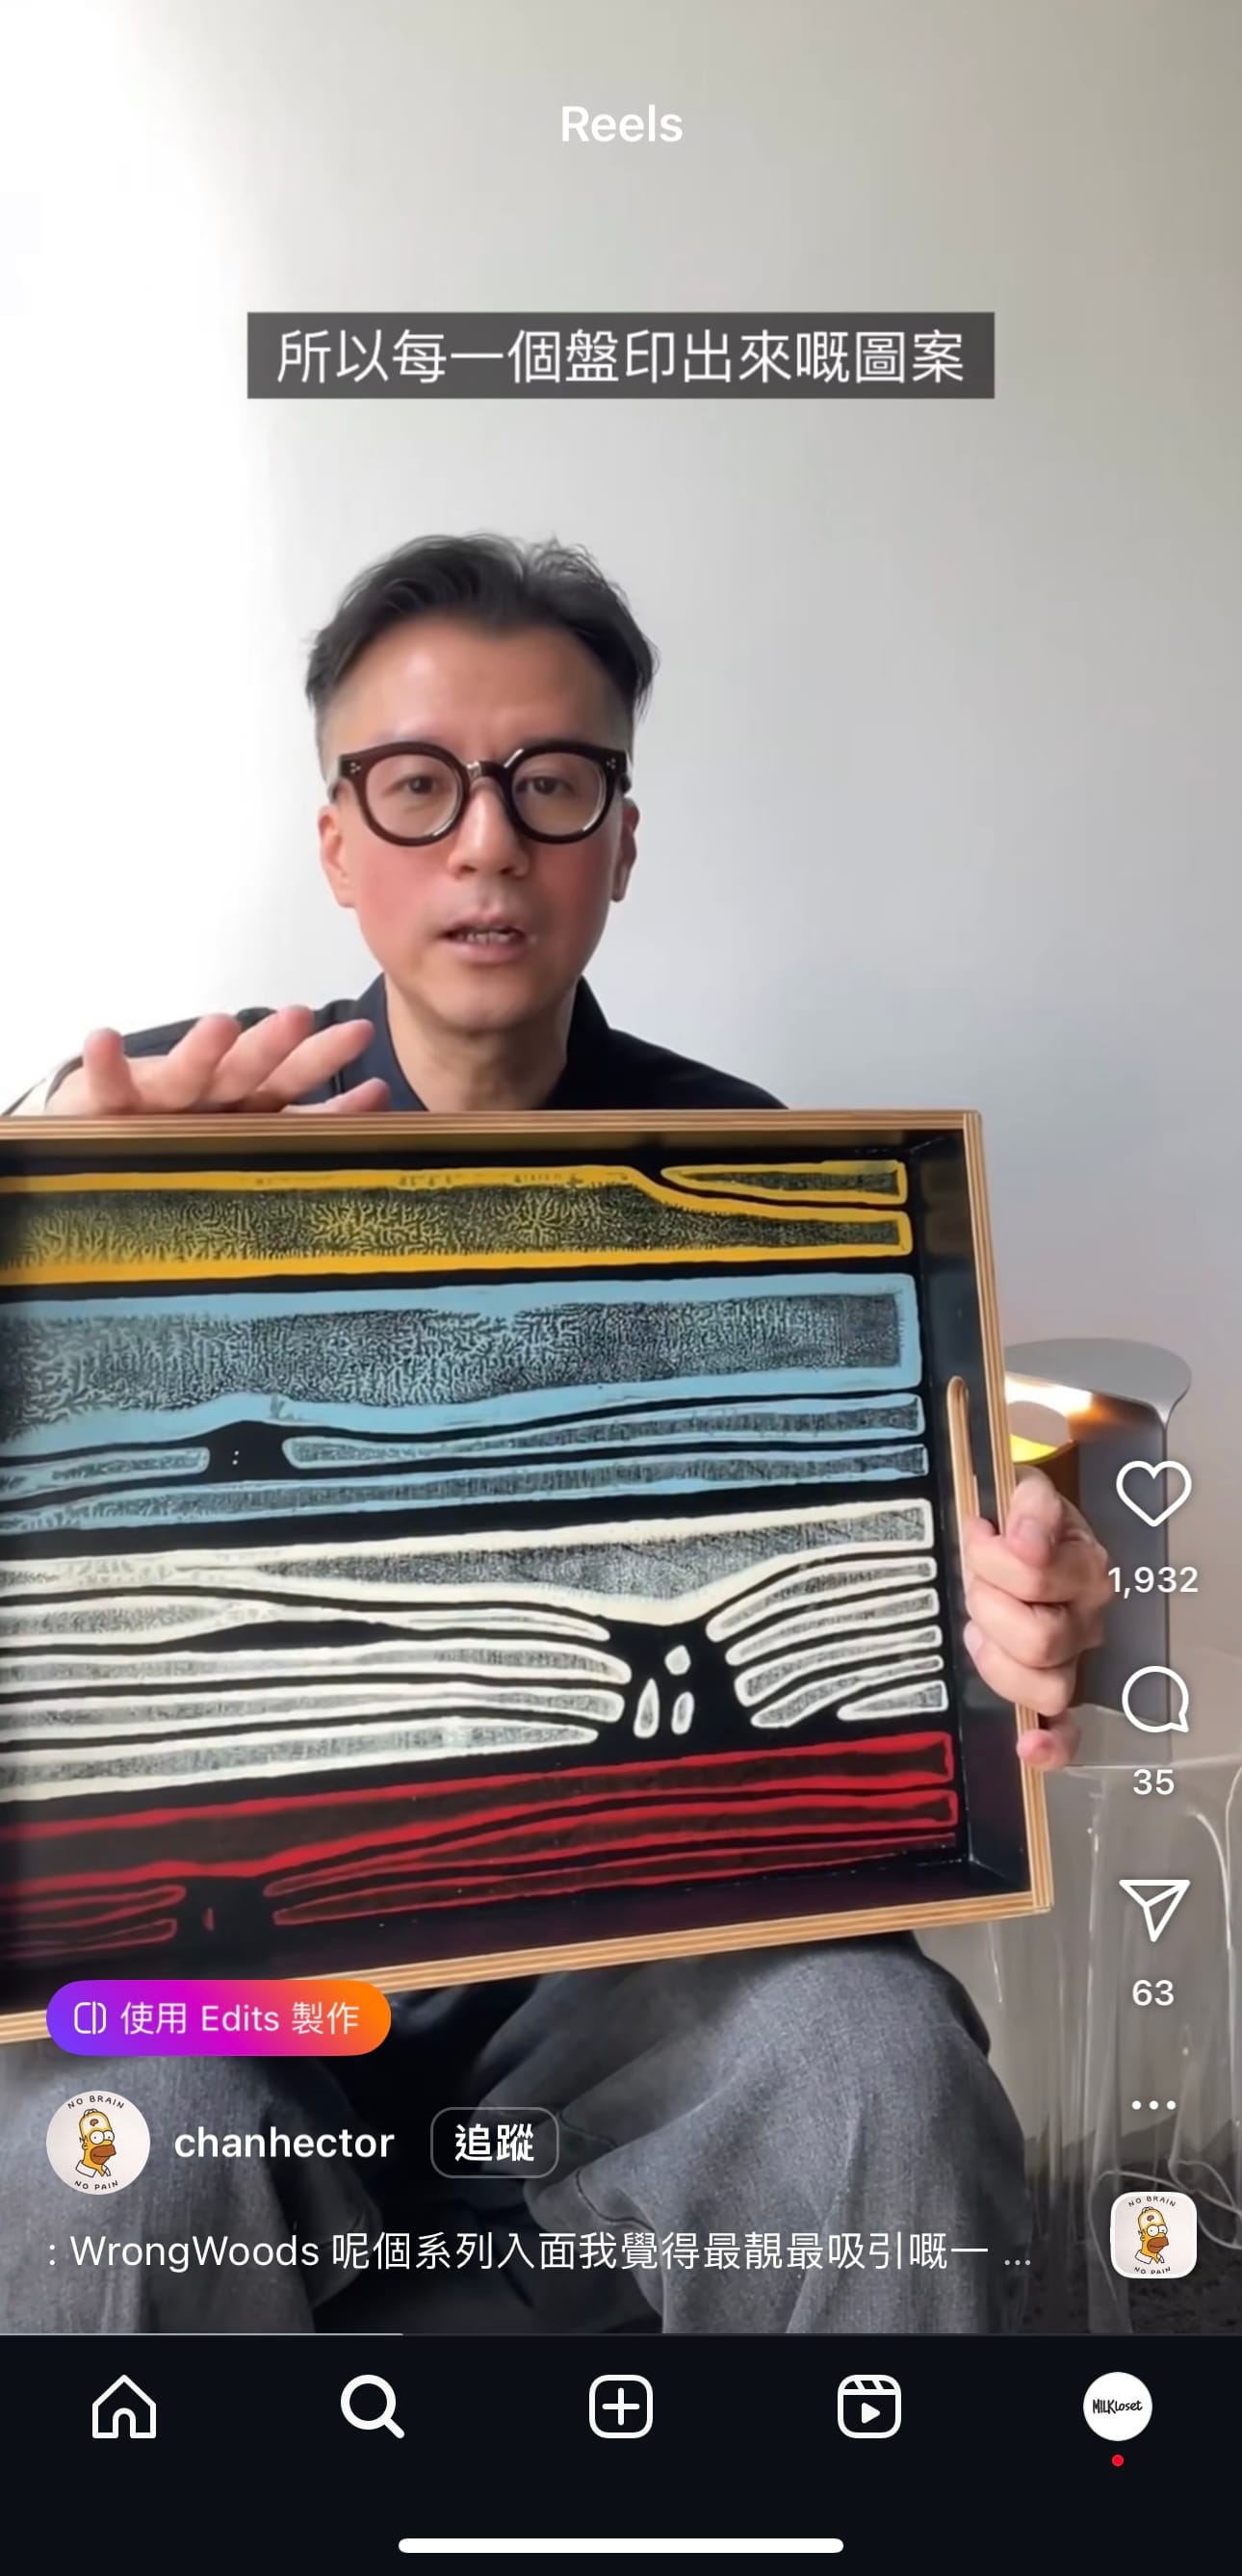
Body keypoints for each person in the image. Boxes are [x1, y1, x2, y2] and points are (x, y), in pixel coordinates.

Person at [0, 534, 1110, 2333]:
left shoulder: (775, 1187)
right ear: (337, 841)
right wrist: (38, 1224)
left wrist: (1013, 1624)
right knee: (116, 2147)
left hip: (637, 1960)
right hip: (210, 1967)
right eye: (417, 785)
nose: (487, 843)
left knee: (868, 2057)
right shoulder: (127, 1135)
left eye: (551, 784)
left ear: (620, 840)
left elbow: (912, 1600)